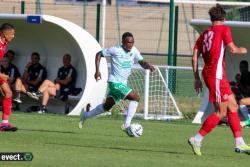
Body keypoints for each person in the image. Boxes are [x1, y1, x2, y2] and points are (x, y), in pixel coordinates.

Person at [189, 4, 250, 156]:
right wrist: (243, 49)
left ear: (211, 19)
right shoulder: (224, 29)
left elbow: (194, 57)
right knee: (221, 112)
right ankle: (197, 138)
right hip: (215, 76)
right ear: (224, 18)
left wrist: (197, 78)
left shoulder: (203, 35)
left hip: (213, 75)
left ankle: (239, 143)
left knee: (233, 106)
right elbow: (233, 50)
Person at [78, 32, 155, 134]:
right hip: (115, 82)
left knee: (106, 106)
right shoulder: (115, 50)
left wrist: (148, 66)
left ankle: (86, 115)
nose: (130, 45)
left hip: (122, 84)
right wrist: (97, 71)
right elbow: (98, 54)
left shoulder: (134, 51)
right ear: (123, 42)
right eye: (128, 42)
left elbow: (142, 62)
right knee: (135, 97)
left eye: (132, 42)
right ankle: (127, 124)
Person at [0, 23, 17, 131]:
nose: (13, 36)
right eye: (11, 34)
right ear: (3, 33)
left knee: (8, 93)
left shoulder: (4, 43)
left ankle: (4, 124)